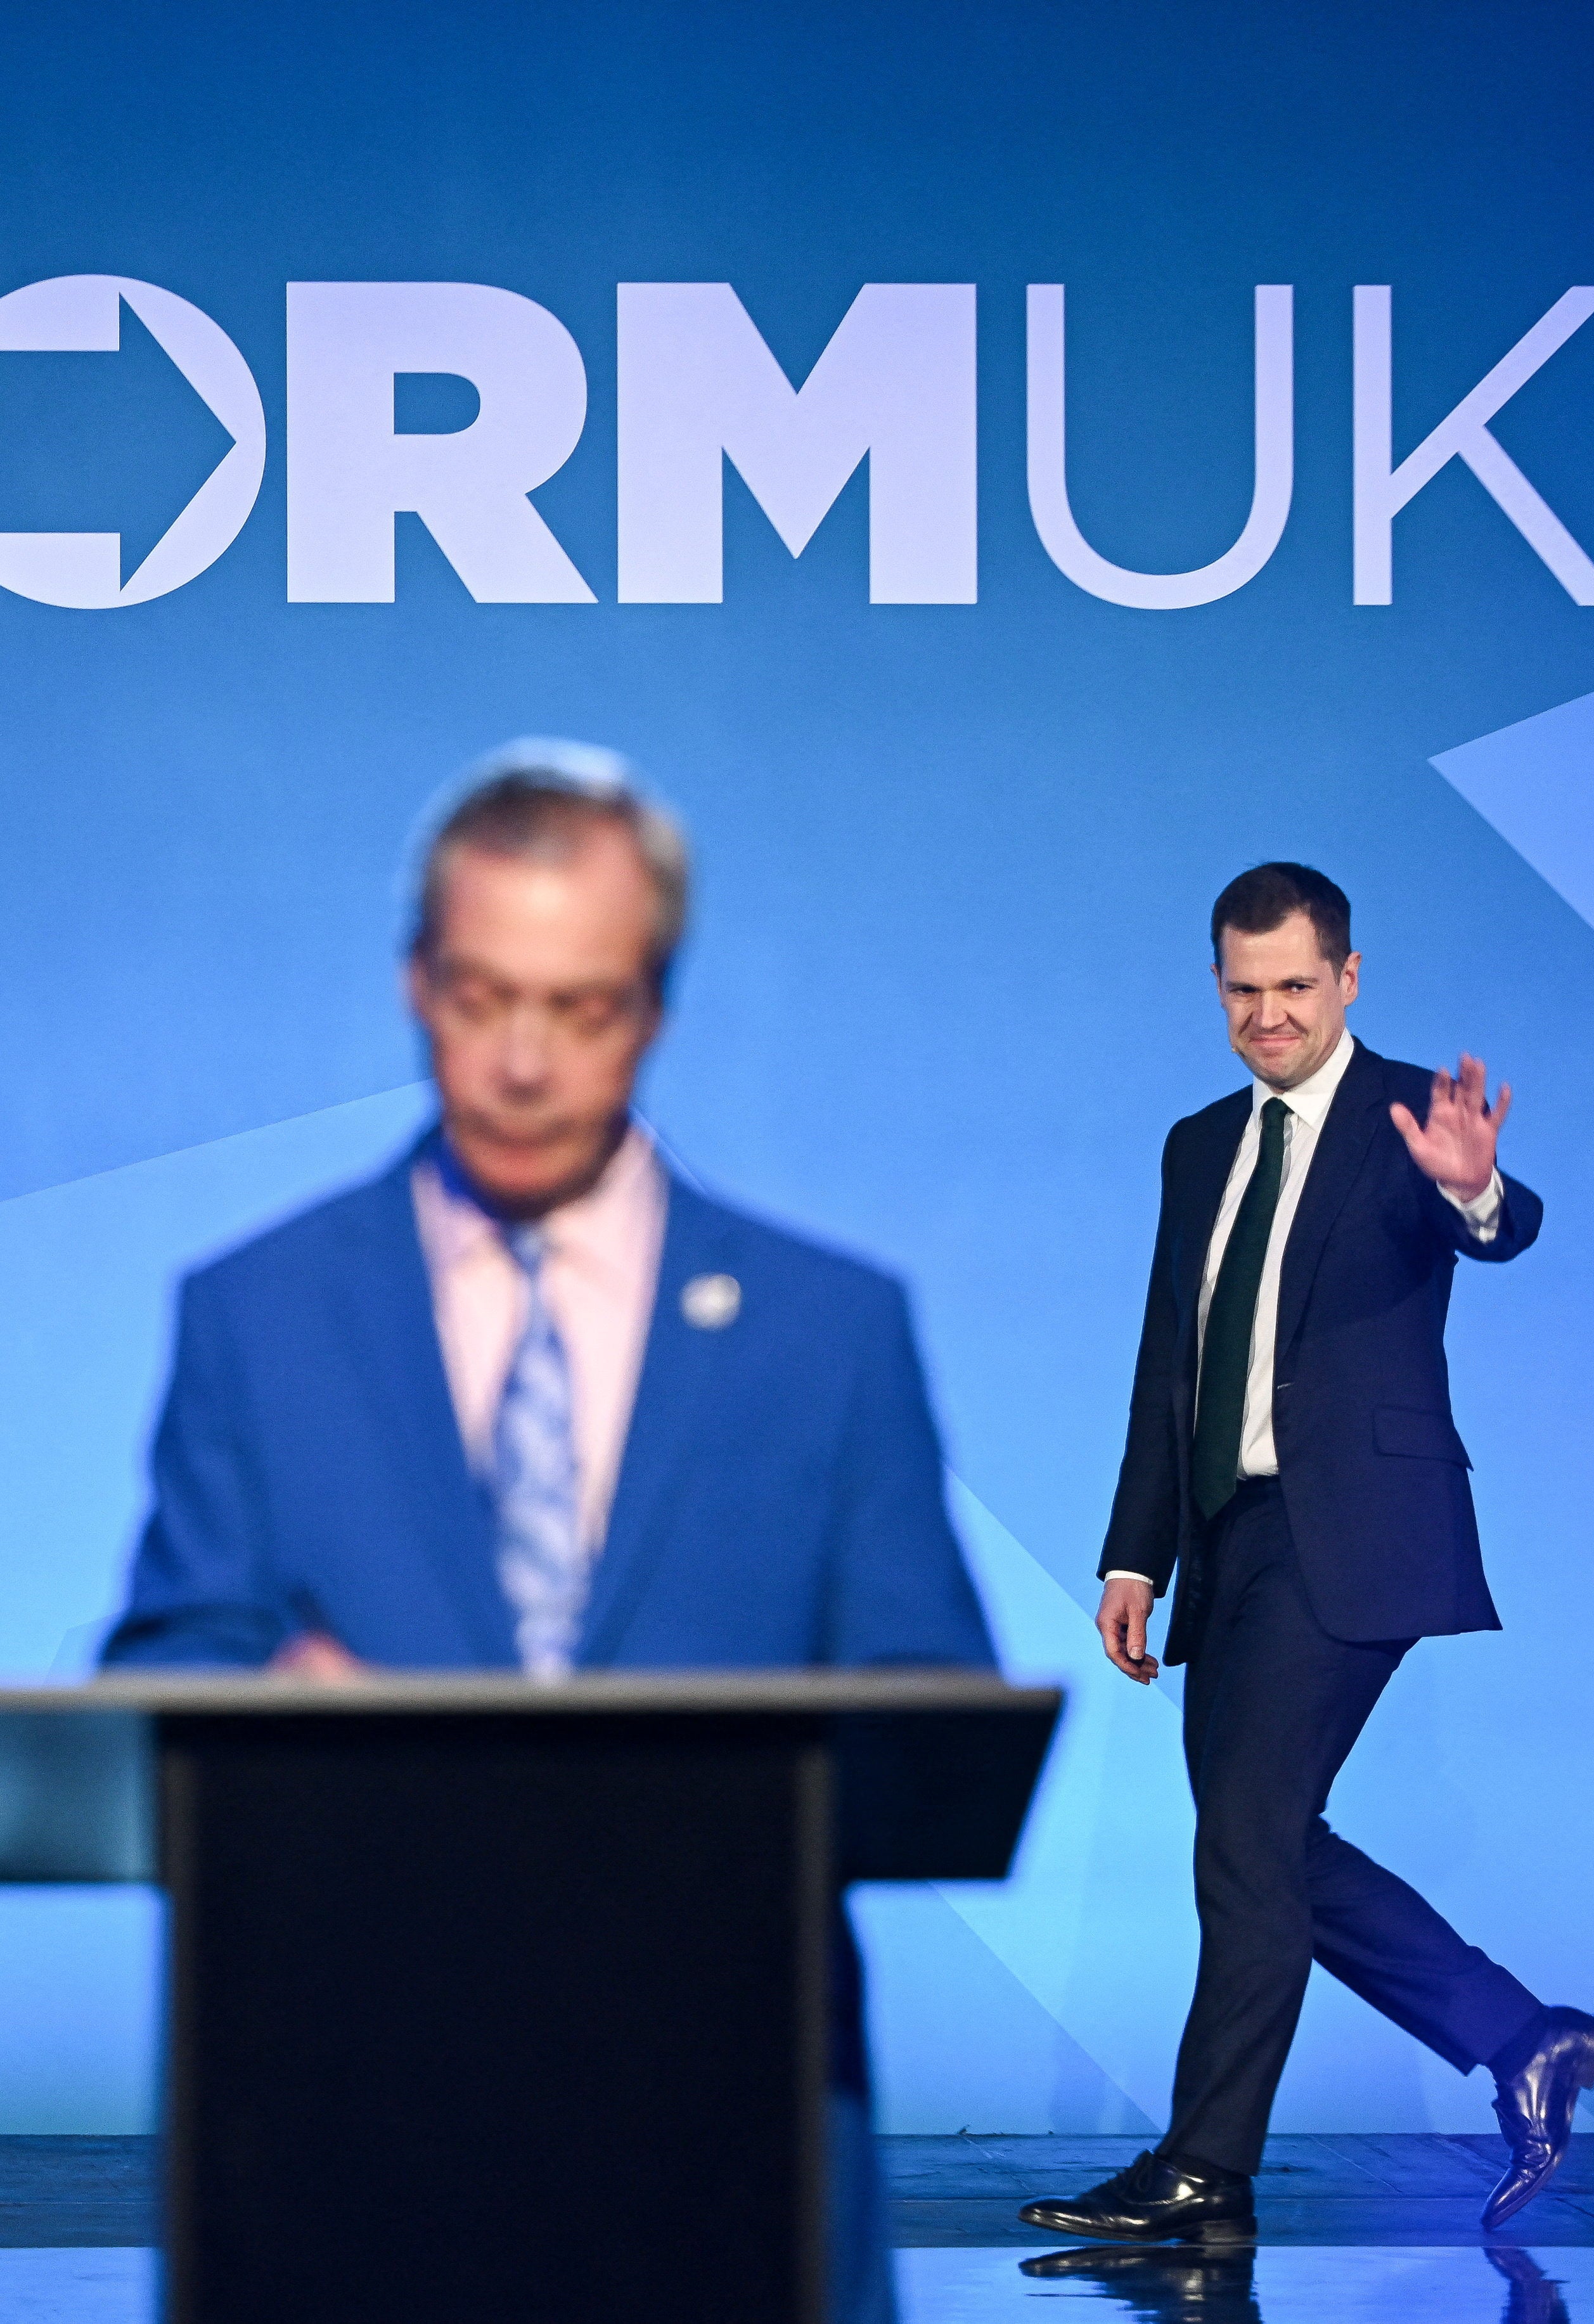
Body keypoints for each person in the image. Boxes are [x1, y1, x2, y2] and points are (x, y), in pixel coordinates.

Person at [104, 741, 996, 2321]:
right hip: (345, 2147)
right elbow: (167, 1673)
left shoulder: (824, 1332)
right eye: (477, 997)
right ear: (414, 983)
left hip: (727, 2152)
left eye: (577, 1008)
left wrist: (684, 1804)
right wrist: (272, 1718)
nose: (519, 1061)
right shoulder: (259, 1312)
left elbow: (928, 1714)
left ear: (653, 1007)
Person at [1019, 863, 1594, 2248]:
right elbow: (1168, 1364)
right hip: (1227, 1536)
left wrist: (1474, 1191)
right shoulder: (1195, 1146)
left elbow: (1501, 1225)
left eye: (1294, 985)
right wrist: (1135, 1555)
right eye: (1243, 989)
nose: (1268, 1014)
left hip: (1354, 1531)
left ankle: (1205, 2171)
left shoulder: (1409, 1116)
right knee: (1263, 1844)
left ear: (1347, 977)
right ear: (1215, 985)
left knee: (1244, 1845)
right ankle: (1522, 2040)